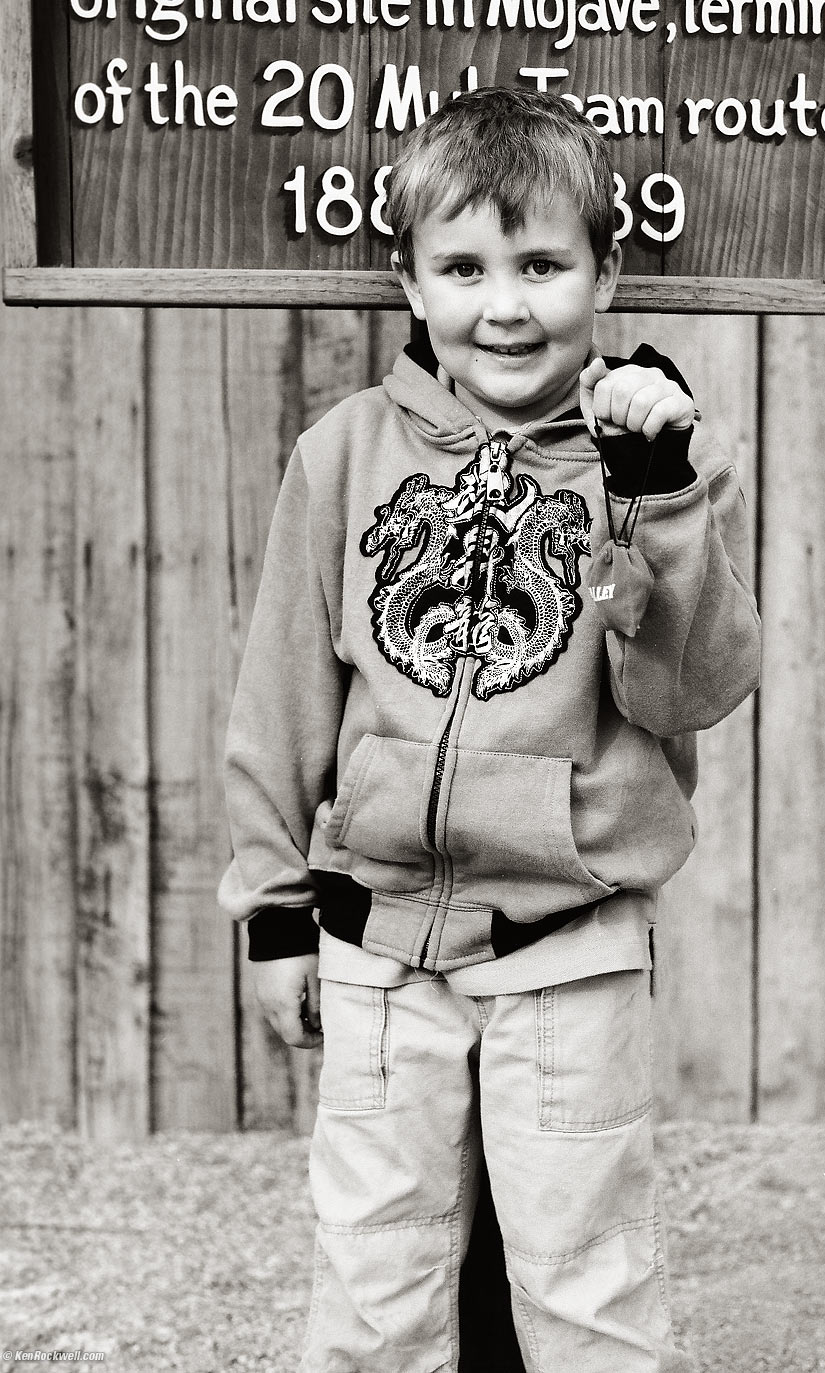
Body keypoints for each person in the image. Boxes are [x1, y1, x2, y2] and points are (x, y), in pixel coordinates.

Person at [219, 87, 761, 1373]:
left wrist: (658, 504)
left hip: (566, 949)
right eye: (461, 268)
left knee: (586, 1290)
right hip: (377, 948)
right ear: (408, 280)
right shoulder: (344, 455)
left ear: (605, 273)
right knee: (372, 1283)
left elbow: (689, 691)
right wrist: (272, 908)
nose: (503, 305)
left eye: (540, 265)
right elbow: (281, 698)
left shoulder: (659, 463)